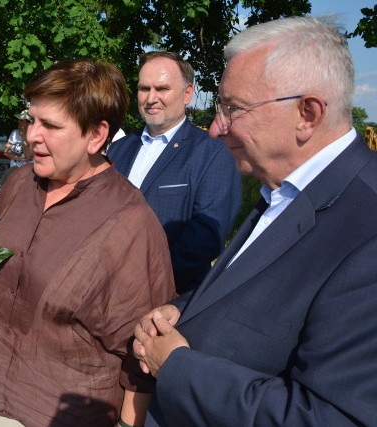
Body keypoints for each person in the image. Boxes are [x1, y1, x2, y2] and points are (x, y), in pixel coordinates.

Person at [133, 16, 377, 426]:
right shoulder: (282, 190)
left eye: (233, 109)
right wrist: (185, 310)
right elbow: (255, 295)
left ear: (307, 113)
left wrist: (175, 366)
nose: (215, 128)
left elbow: (329, 416)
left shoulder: (368, 230)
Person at [0, 59, 176, 426]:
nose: (32, 135)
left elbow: (143, 355)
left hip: (72, 415)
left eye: (50, 125)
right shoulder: (19, 186)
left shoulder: (130, 222)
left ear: (96, 136)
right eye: (32, 119)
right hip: (0, 401)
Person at [107, 51, 242, 295]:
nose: (151, 98)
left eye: (162, 89)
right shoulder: (118, 150)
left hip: (165, 299)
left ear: (187, 93)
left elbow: (207, 236)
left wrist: (144, 282)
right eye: (144, 88)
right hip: (103, 291)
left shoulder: (212, 153)